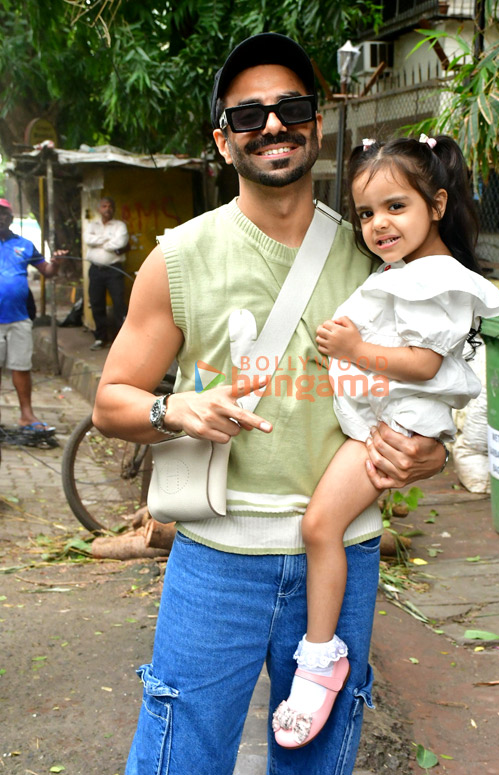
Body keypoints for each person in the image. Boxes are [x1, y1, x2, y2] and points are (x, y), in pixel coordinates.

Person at [92, 33, 447, 775]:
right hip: (216, 559)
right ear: (224, 141)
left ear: (316, 124)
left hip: (342, 554)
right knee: (178, 753)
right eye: (248, 116)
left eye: (290, 107)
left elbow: (429, 395)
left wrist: (428, 453)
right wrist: (175, 411)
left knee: (320, 755)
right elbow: (111, 402)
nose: (273, 125)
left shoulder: (380, 257)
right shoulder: (179, 256)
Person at [272, 135, 499, 748]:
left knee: (320, 526)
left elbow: (426, 364)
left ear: (436, 204)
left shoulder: (436, 279)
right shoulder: (405, 272)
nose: (378, 224)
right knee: (322, 526)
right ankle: (322, 655)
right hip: (390, 418)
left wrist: (353, 350)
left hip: (399, 426)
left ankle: (320, 661)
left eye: (394, 207)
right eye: (366, 213)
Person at [0, 198, 66, 430]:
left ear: (10, 218)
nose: (1, 217)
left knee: (21, 367)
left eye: (5, 213)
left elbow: (46, 270)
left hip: (19, 316)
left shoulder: (25, 244)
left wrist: (55, 263)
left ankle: (26, 415)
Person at [85, 196, 129, 350]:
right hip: (95, 270)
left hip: (114, 270)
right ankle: (101, 338)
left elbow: (120, 242)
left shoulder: (120, 226)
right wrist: (107, 240)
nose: (107, 209)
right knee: (96, 303)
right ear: (99, 209)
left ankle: (120, 340)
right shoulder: (92, 225)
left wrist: (99, 242)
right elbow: (87, 239)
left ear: (114, 209)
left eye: (110, 206)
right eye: (104, 206)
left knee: (119, 304)